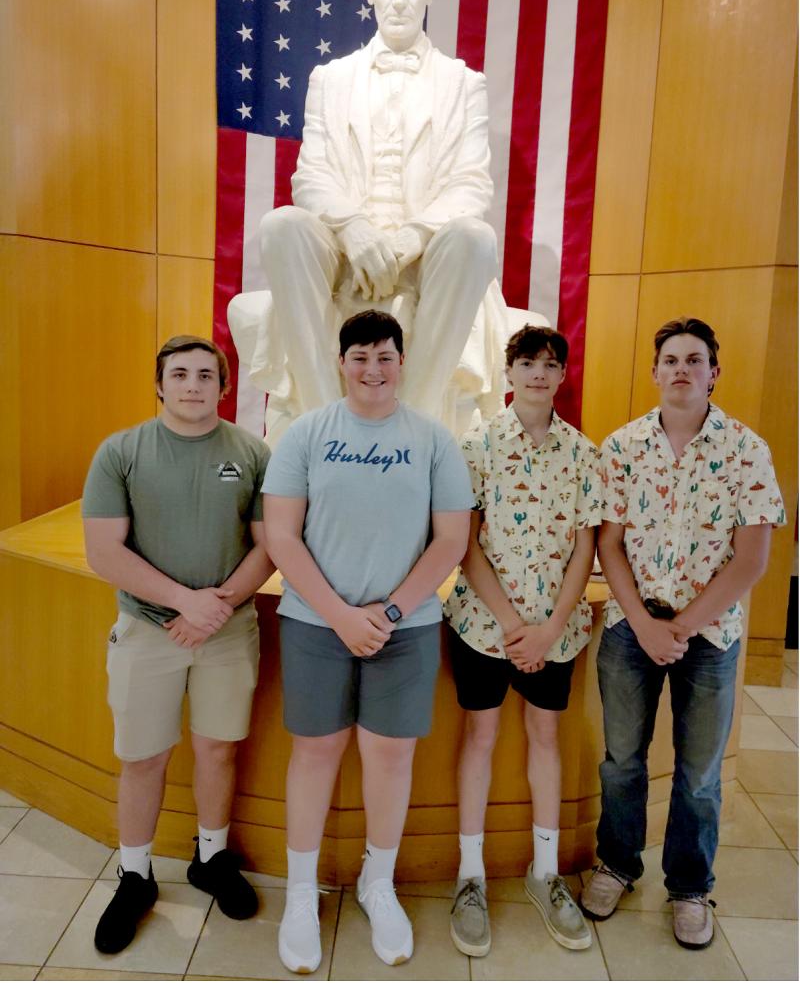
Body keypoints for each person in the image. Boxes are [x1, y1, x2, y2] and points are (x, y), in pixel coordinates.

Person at [262, 310, 472, 972]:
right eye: (360, 357)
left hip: (404, 628)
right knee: (317, 749)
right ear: (342, 362)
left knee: (388, 755)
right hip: (315, 622)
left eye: (384, 356)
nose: (373, 370)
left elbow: (451, 540)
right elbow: (282, 536)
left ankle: (376, 883)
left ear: (401, 362)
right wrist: (340, 615)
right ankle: (301, 893)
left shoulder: (434, 440)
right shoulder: (306, 435)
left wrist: (386, 610)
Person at [580, 317, 785, 950]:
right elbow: (607, 545)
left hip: (711, 636)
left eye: (694, 360)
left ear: (713, 373)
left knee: (698, 773)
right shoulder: (622, 447)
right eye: (670, 359)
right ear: (654, 372)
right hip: (630, 629)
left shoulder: (747, 449)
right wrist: (644, 622)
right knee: (622, 762)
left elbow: (751, 558)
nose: (681, 370)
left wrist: (682, 628)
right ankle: (616, 865)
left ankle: (690, 887)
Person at [254, 0, 503, 425]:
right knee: (281, 225)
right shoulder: (330, 78)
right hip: (346, 254)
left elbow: (471, 183)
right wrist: (353, 228)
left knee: (475, 237)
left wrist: (413, 234)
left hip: (427, 256)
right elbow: (312, 177)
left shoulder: (463, 84)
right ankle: (328, 418)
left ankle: (418, 418)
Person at [82, 335, 274, 954]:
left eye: (206, 375)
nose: (193, 385)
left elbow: (270, 545)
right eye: (180, 374)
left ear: (223, 386)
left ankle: (210, 860)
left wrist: (213, 609)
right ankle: (134, 875)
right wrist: (185, 602)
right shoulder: (121, 452)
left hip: (228, 631)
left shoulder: (252, 452)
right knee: (143, 757)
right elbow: (104, 552)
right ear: (160, 385)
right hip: (147, 631)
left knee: (218, 751)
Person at [444, 325, 600, 955]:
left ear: (563, 375)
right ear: (508, 372)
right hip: (485, 629)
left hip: (555, 634)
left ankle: (545, 872)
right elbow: (466, 542)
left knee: (544, 736)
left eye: (550, 364)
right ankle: (470, 875)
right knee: (479, 736)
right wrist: (512, 625)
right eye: (527, 363)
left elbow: (586, 548)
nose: (539, 373)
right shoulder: (477, 444)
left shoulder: (585, 454)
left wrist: (551, 627)